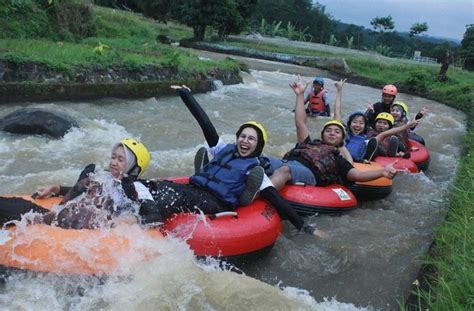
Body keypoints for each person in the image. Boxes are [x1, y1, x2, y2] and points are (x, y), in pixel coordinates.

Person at [139, 86, 326, 238]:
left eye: (251, 139)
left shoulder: (255, 170)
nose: (245, 141)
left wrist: (306, 228)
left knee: (170, 195)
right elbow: (206, 125)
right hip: (196, 190)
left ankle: (148, 232)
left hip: (215, 201)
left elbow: (279, 202)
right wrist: (186, 95)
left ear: (258, 145)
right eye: (242, 136)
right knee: (147, 185)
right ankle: (203, 172)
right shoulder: (224, 150)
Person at [268, 76, 398, 191]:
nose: (332, 133)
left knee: (284, 170)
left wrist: (382, 172)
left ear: (342, 138)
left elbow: (357, 175)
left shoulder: (338, 159)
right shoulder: (308, 143)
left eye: (337, 132)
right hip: (288, 163)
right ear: (322, 135)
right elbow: (300, 122)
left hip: (307, 172)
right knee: (263, 160)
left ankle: (255, 196)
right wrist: (300, 95)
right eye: (328, 130)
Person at [0, 138, 155, 229]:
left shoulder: (136, 187)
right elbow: (82, 190)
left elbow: (154, 215)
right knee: (12, 205)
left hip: (76, 227)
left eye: (120, 160)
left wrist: (132, 220)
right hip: (57, 217)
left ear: (133, 166)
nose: (113, 162)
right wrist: (57, 188)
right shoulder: (103, 176)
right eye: (113, 157)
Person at [332, 78, 378, 163]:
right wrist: (339, 91)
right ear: (349, 124)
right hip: (340, 160)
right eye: (355, 122)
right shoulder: (343, 134)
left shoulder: (367, 139)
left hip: (356, 164)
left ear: (365, 127)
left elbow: (384, 134)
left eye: (361, 123)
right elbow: (337, 113)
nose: (357, 125)